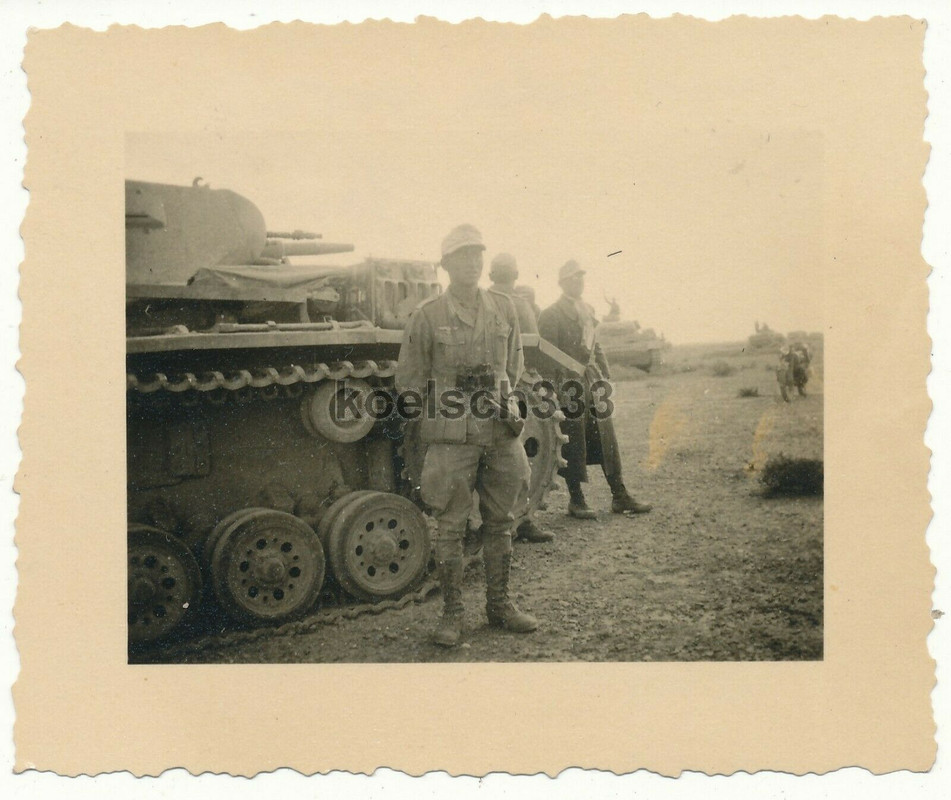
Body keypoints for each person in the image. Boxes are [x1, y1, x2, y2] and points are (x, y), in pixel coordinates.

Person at [396, 224, 538, 647]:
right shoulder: (427, 315)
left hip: (498, 429)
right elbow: (409, 381)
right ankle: (452, 614)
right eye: (463, 256)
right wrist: (445, 410)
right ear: (447, 265)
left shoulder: (504, 308)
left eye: (478, 255)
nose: (473, 263)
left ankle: (500, 605)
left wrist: (494, 398)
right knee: (451, 526)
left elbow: (512, 368)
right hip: (452, 436)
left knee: (502, 520)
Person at [538, 259, 652, 519]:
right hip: (568, 384)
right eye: (573, 278)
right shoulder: (551, 314)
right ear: (562, 282)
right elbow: (546, 356)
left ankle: (619, 494)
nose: (578, 282)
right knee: (573, 440)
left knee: (606, 437)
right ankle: (576, 499)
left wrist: (605, 372)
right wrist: (554, 390)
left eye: (581, 277)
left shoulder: (588, 309)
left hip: (591, 380)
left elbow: (596, 345)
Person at [487, 252, 554, 544]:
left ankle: (508, 520)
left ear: (491, 275)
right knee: (519, 462)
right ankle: (522, 519)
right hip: (516, 387)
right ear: (514, 276)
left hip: (489, 389)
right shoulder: (520, 304)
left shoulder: (484, 300)